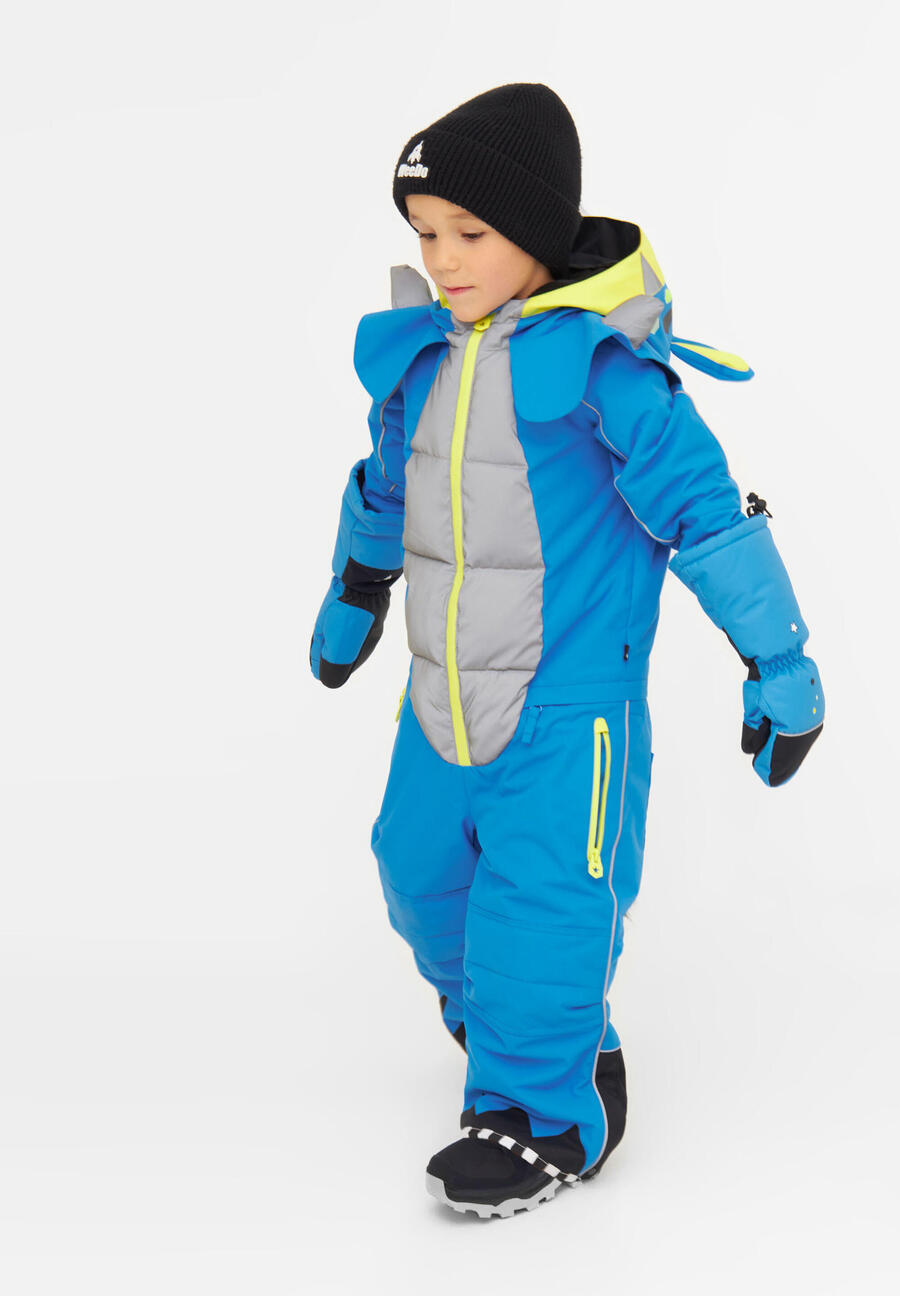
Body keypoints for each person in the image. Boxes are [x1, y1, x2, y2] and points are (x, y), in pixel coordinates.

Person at [309, 82, 825, 1219]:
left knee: (544, 906)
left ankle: (545, 1113)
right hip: (438, 698)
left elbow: (705, 513)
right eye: (426, 233)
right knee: (415, 872)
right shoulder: (423, 361)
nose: (443, 260)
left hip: (568, 712)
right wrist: (357, 586)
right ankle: (528, 1026)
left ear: (536, 232)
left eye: (470, 233)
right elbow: (386, 486)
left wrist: (778, 662)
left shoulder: (603, 371)